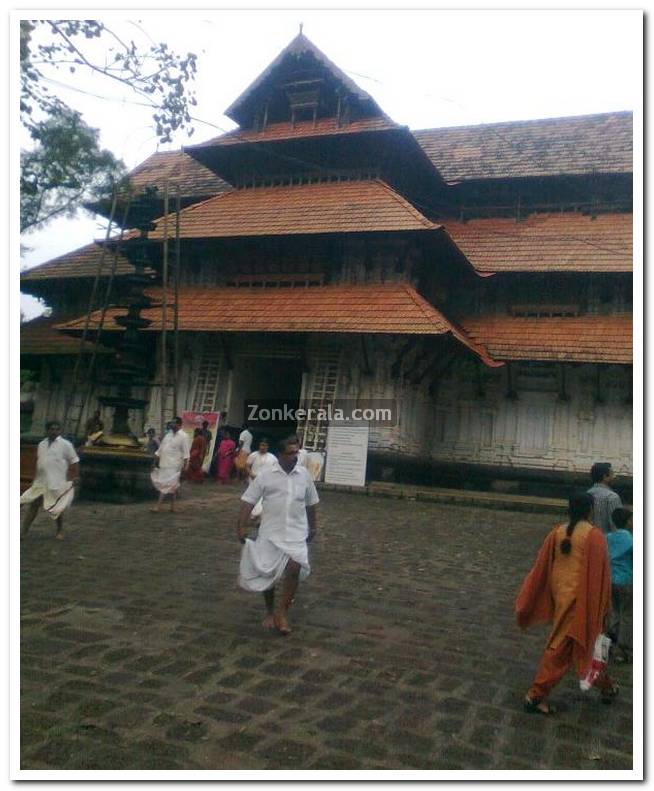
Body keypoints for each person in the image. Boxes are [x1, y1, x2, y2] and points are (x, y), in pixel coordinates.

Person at [516, 491, 617, 715]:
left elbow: (544, 567)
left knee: (584, 646)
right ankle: (535, 695)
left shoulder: (558, 532)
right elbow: (601, 575)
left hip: (562, 596)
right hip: (582, 601)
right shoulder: (594, 535)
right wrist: (603, 605)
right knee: (577, 645)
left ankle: (607, 687)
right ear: (590, 510)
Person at [237, 436, 319, 635]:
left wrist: (313, 527)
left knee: (294, 567)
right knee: (268, 572)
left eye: (296, 453)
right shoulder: (266, 476)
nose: (294, 457)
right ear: (281, 455)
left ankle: (282, 612)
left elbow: (311, 503)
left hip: (296, 532)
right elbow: (249, 500)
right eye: (290, 453)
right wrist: (241, 525)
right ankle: (270, 610)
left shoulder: (304, 475)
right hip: (270, 532)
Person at [20, 420, 79, 540]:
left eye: (57, 429)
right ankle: (24, 531)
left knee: (56, 508)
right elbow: (40, 462)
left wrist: (76, 476)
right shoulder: (42, 444)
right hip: (41, 481)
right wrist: (34, 478)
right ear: (47, 430)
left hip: (56, 481)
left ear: (60, 431)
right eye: (52, 429)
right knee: (33, 505)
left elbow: (74, 460)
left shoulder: (65, 444)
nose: (54, 431)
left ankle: (60, 530)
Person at [607, 507, 633, 663]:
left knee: (616, 611)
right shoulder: (631, 541)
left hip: (611, 580)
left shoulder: (608, 537)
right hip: (627, 581)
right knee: (628, 614)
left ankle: (611, 639)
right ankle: (622, 648)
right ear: (628, 522)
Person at [150, 416, 190, 512]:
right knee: (173, 485)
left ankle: (158, 506)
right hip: (164, 464)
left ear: (179, 424)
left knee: (165, 485)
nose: (172, 424)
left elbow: (186, 453)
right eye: (171, 423)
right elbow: (160, 450)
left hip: (174, 465)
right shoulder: (168, 435)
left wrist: (186, 466)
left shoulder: (184, 436)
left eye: (174, 423)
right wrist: (154, 462)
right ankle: (173, 507)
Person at [246, 438, 278, 520]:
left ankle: (259, 514)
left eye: (265, 445)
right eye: (261, 445)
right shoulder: (253, 455)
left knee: (263, 498)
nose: (262, 447)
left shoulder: (272, 457)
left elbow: (276, 469)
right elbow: (247, 466)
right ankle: (254, 514)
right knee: (254, 497)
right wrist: (251, 474)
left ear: (268, 447)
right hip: (253, 480)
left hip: (266, 481)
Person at [587, 462, 623, 534]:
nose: (614, 477)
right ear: (605, 477)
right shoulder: (612, 497)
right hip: (606, 543)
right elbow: (616, 528)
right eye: (612, 474)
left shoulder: (586, 494)